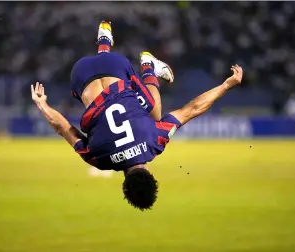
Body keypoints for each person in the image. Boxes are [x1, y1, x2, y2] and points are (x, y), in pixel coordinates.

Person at [31, 21, 243, 211]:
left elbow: (193, 109)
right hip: (80, 72)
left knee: (155, 114)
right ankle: (103, 42)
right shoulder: (99, 160)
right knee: (97, 99)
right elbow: (63, 128)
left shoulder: (155, 142)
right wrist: (43, 105)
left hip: (116, 64)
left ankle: (148, 65)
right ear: (124, 185)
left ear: (151, 175)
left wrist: (226, 85)